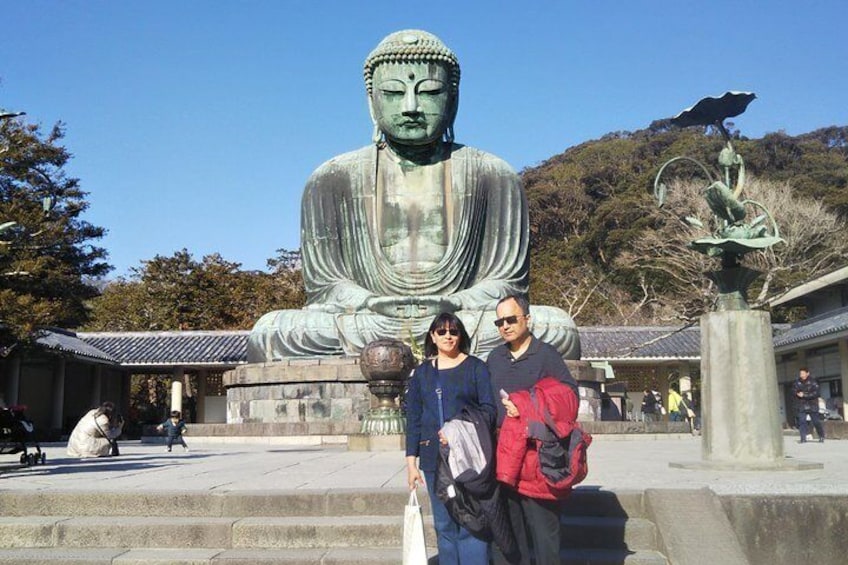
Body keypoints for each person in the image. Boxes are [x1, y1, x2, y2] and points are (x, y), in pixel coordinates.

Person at [247, 29, 580, 362]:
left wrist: (457, 302)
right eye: (392, 92)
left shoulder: (493, 175)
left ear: (453, 99)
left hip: (463, 318)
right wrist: (368, 302)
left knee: (557, 328)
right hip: (370, 320)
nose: (410, 107)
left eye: (429, 92)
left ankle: (429, 340)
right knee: (273, 332)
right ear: (371, 100)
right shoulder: (332, 178)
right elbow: (325, 286)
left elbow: (507, 284)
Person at [487, 294, 578, 565]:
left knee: (544, 533)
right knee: (510, 533)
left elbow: (569, 398)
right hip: (504, 454)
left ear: (527, 319)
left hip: (536, 455)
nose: (505, 325)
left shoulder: (547, 355)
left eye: (511, 319)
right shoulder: (495, 357)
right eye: (499, 321)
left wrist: (525, 407)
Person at [405, 312, 496, 564]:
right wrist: (411, 462)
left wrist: (457, 430)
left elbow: (489, 410)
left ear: (460, 335)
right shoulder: (422, 373)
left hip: (468, 456)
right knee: (444, 524)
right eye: (442, 332)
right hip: (434, 457)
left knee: (471, 522)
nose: (448, 336)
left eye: (453, 331)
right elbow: (413, 417)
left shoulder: (476, 367)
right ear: (433, 336)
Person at [793, 367, 825, 443]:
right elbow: (793, 391)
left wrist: (804, 395)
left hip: (812, 404)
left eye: (803, 373)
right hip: (802, 404)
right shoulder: (797, 382)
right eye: (801, 373)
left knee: (816, 421)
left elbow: (816, 393)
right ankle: (803, 438)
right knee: (802, 421)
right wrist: (797, 393)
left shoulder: (813, 382)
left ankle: (821, 436)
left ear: (807, 373)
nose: (802, 375)